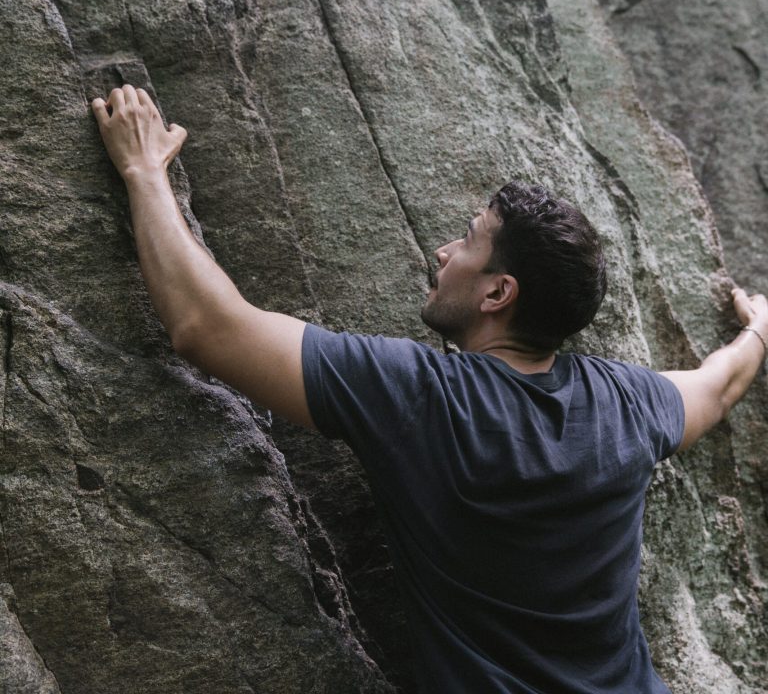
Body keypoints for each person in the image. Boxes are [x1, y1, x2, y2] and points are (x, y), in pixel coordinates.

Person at [92, 85, 767, 694]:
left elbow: (207, 327)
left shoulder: (423, 399)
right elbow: (720, 385)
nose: (444, 251)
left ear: (498, 292)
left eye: (468, 241)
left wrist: (143, 172)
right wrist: (761, 333)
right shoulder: (630, 404)